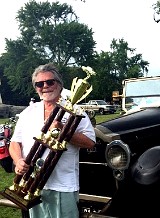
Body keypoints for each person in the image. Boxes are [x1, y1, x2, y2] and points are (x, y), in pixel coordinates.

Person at [9, 63, 96, 218]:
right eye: (40, 84)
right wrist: (18, 160)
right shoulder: (28, 112)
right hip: (30, 184)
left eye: (50, 82)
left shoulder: (75, 112)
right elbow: (15, 142)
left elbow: (90, 142)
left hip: (62, 185)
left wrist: (64, 130)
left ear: (59, 84)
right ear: (35, 88)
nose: (45, 86)